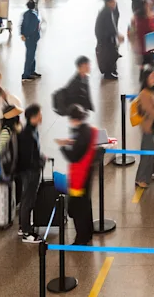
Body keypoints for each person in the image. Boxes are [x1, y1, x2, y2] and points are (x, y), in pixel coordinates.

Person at [57, 105, 98, 245]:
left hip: (79, 176)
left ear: (74, 119)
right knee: (86, 203)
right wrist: (72, 143)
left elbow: (74, 156)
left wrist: (63, 147)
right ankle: (88, 232)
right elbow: (82, 145)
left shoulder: (81, 134)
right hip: (88, 172)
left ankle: (81, 238)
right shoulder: (88, 130)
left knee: (78, 207)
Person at [16, 104, 45, 243]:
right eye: (39, 114)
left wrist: (40, 157)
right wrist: (39, 162)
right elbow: (27, 157)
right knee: (28, 199)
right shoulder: (27, 134)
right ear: (33, 117)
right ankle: (27, 232)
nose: (41, 116)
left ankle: (23, 226)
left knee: (27, 198)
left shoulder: (32, 130)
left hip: (30, 170)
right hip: (30, 172)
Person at [95, 0, 123, 80]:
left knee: (113, 52)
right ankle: (108, 73)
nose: (115, 4)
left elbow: (112, 25)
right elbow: (110, 26)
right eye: (113, 2)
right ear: (108, 3)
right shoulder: (106, 12)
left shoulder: (107, 11)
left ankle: (112, 70)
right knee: (110, 54)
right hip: (104, 38)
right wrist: (117, 35)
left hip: (105, 37)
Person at [20, 0, 41, 82]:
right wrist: (29, 35)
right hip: (32, 38)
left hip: (27, 38)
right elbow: (34, 27)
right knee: (30, 57)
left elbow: (22, 24)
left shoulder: (25, 14)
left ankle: (31, 71)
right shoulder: (34, 15)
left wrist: (23, 34)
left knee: (31, 55)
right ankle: (26, 74)